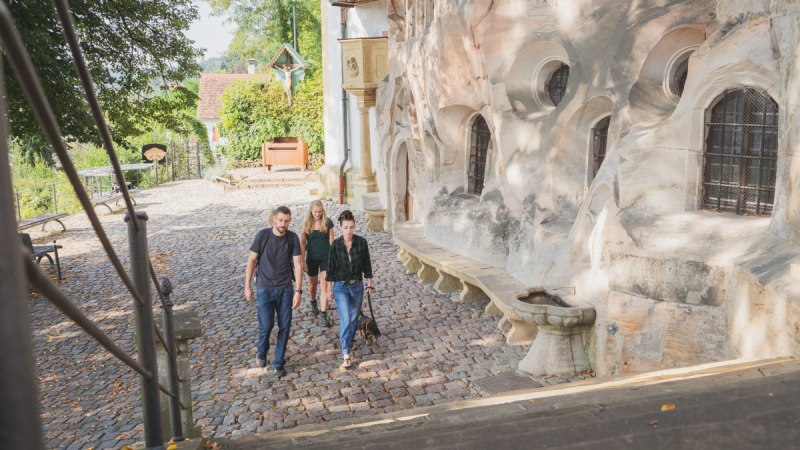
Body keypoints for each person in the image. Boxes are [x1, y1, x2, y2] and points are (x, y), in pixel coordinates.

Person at [244, 205, 303, 380]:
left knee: (285, 327)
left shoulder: (292, 238)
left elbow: (298, 265)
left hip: (285, 289)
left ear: (290, 220)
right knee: (266, 326)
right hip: (264, 288)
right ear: (274, 219)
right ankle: (261, 351)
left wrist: (298, 291)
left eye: (286, 221)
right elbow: (252, 260)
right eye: (280, 220)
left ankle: (278, 363)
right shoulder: (263, 236)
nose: (283, 224)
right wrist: (247, 286)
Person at [326, 210, 374, 369]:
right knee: (346, 318)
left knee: (353, 318)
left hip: (357, 286)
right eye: (346, 227)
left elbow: (367, 263)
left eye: (351, 227)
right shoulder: (335, 245)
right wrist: (328, 289)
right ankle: (346, 353)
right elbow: (330, 269)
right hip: (340, 287)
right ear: (340, 227)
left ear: (355, 226)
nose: (349, 231)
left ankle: (350, 340)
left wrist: (369, 283)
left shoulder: (361, 242)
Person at [299, 200, 335, 327]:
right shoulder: (306, 225)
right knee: (313, 284)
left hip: (326, 257)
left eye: (319, 212)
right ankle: (313, 301)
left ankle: (323, 314)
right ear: (311, 211)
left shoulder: (327, 223)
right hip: (312, 258)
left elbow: (332, 241)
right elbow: (302, 245)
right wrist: (302, 261)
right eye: (315, 212)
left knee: (324, 285)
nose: (317, 214)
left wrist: (333, 257)